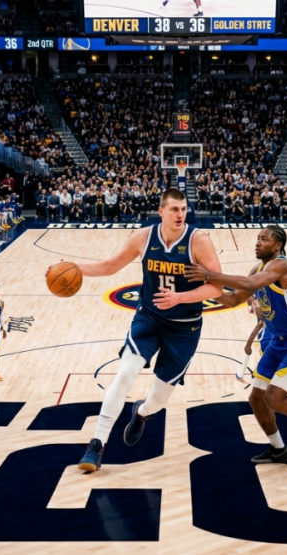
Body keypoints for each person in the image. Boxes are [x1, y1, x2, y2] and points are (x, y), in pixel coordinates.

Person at [58, 188, 223, 473]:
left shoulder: (199, 241)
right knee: (124, 374)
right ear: (161, 211)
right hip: (149, 318)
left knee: (158, 400)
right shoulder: (143, 238)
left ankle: (141, 412)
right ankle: (96, 444)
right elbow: (110, 266)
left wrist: (180, 298)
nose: (180, 214)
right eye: (174, 209)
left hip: (184, 327)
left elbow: (217, 287)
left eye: (183, 209)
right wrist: (72, 267)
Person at [185, 225, 287, 464]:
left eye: (264, 239)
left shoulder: (281, 266)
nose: (258, 242)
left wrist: (208, 275)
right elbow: (233, 299)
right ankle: (278, 448)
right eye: (258, 238)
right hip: (277, 341)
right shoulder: (259, 267)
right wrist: (204, 290)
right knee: (256, 398)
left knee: (275, 398)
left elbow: (247, 284)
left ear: (277, 246)